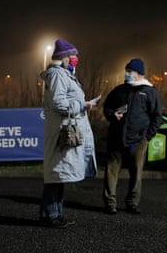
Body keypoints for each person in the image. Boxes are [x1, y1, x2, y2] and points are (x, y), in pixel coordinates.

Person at [39, 38, 98, 228]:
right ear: (64, 57)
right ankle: (49, 215)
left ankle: (56, 213)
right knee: (56, 175)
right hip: (60, 131)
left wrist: (82, 104)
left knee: (60, 175)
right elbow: (59, 103)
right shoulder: (58, 75)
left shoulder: (65, 74)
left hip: (63, 129)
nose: (75, 59)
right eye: (73, 56)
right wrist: (83, 104)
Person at [102, 58, 163, 215]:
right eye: (126, 71)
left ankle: (132, 202)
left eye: (130, 71)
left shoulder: (149, 92)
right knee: (111, 170)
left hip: (138, 140)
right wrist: (111, 114)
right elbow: (107, 106)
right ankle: (110, 203)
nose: (126, 74)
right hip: (117, 137)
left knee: (136, 172)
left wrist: (147, 137)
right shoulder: (119, 90)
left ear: (140, 74)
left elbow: (157, 117)